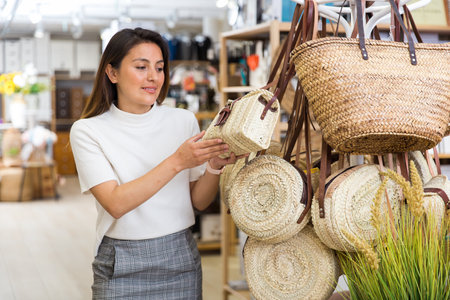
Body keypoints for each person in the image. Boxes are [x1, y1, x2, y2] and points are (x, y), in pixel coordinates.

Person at [70, 27, 242, 299]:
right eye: (141, 67)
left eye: (160, 68)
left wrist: (213, 166)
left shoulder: (182, 121)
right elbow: (115, 204)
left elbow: (198, 201)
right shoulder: (87, 131)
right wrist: (177, 161)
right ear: (112, 73)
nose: (153, 77)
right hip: (121, 262)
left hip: (180, 258)